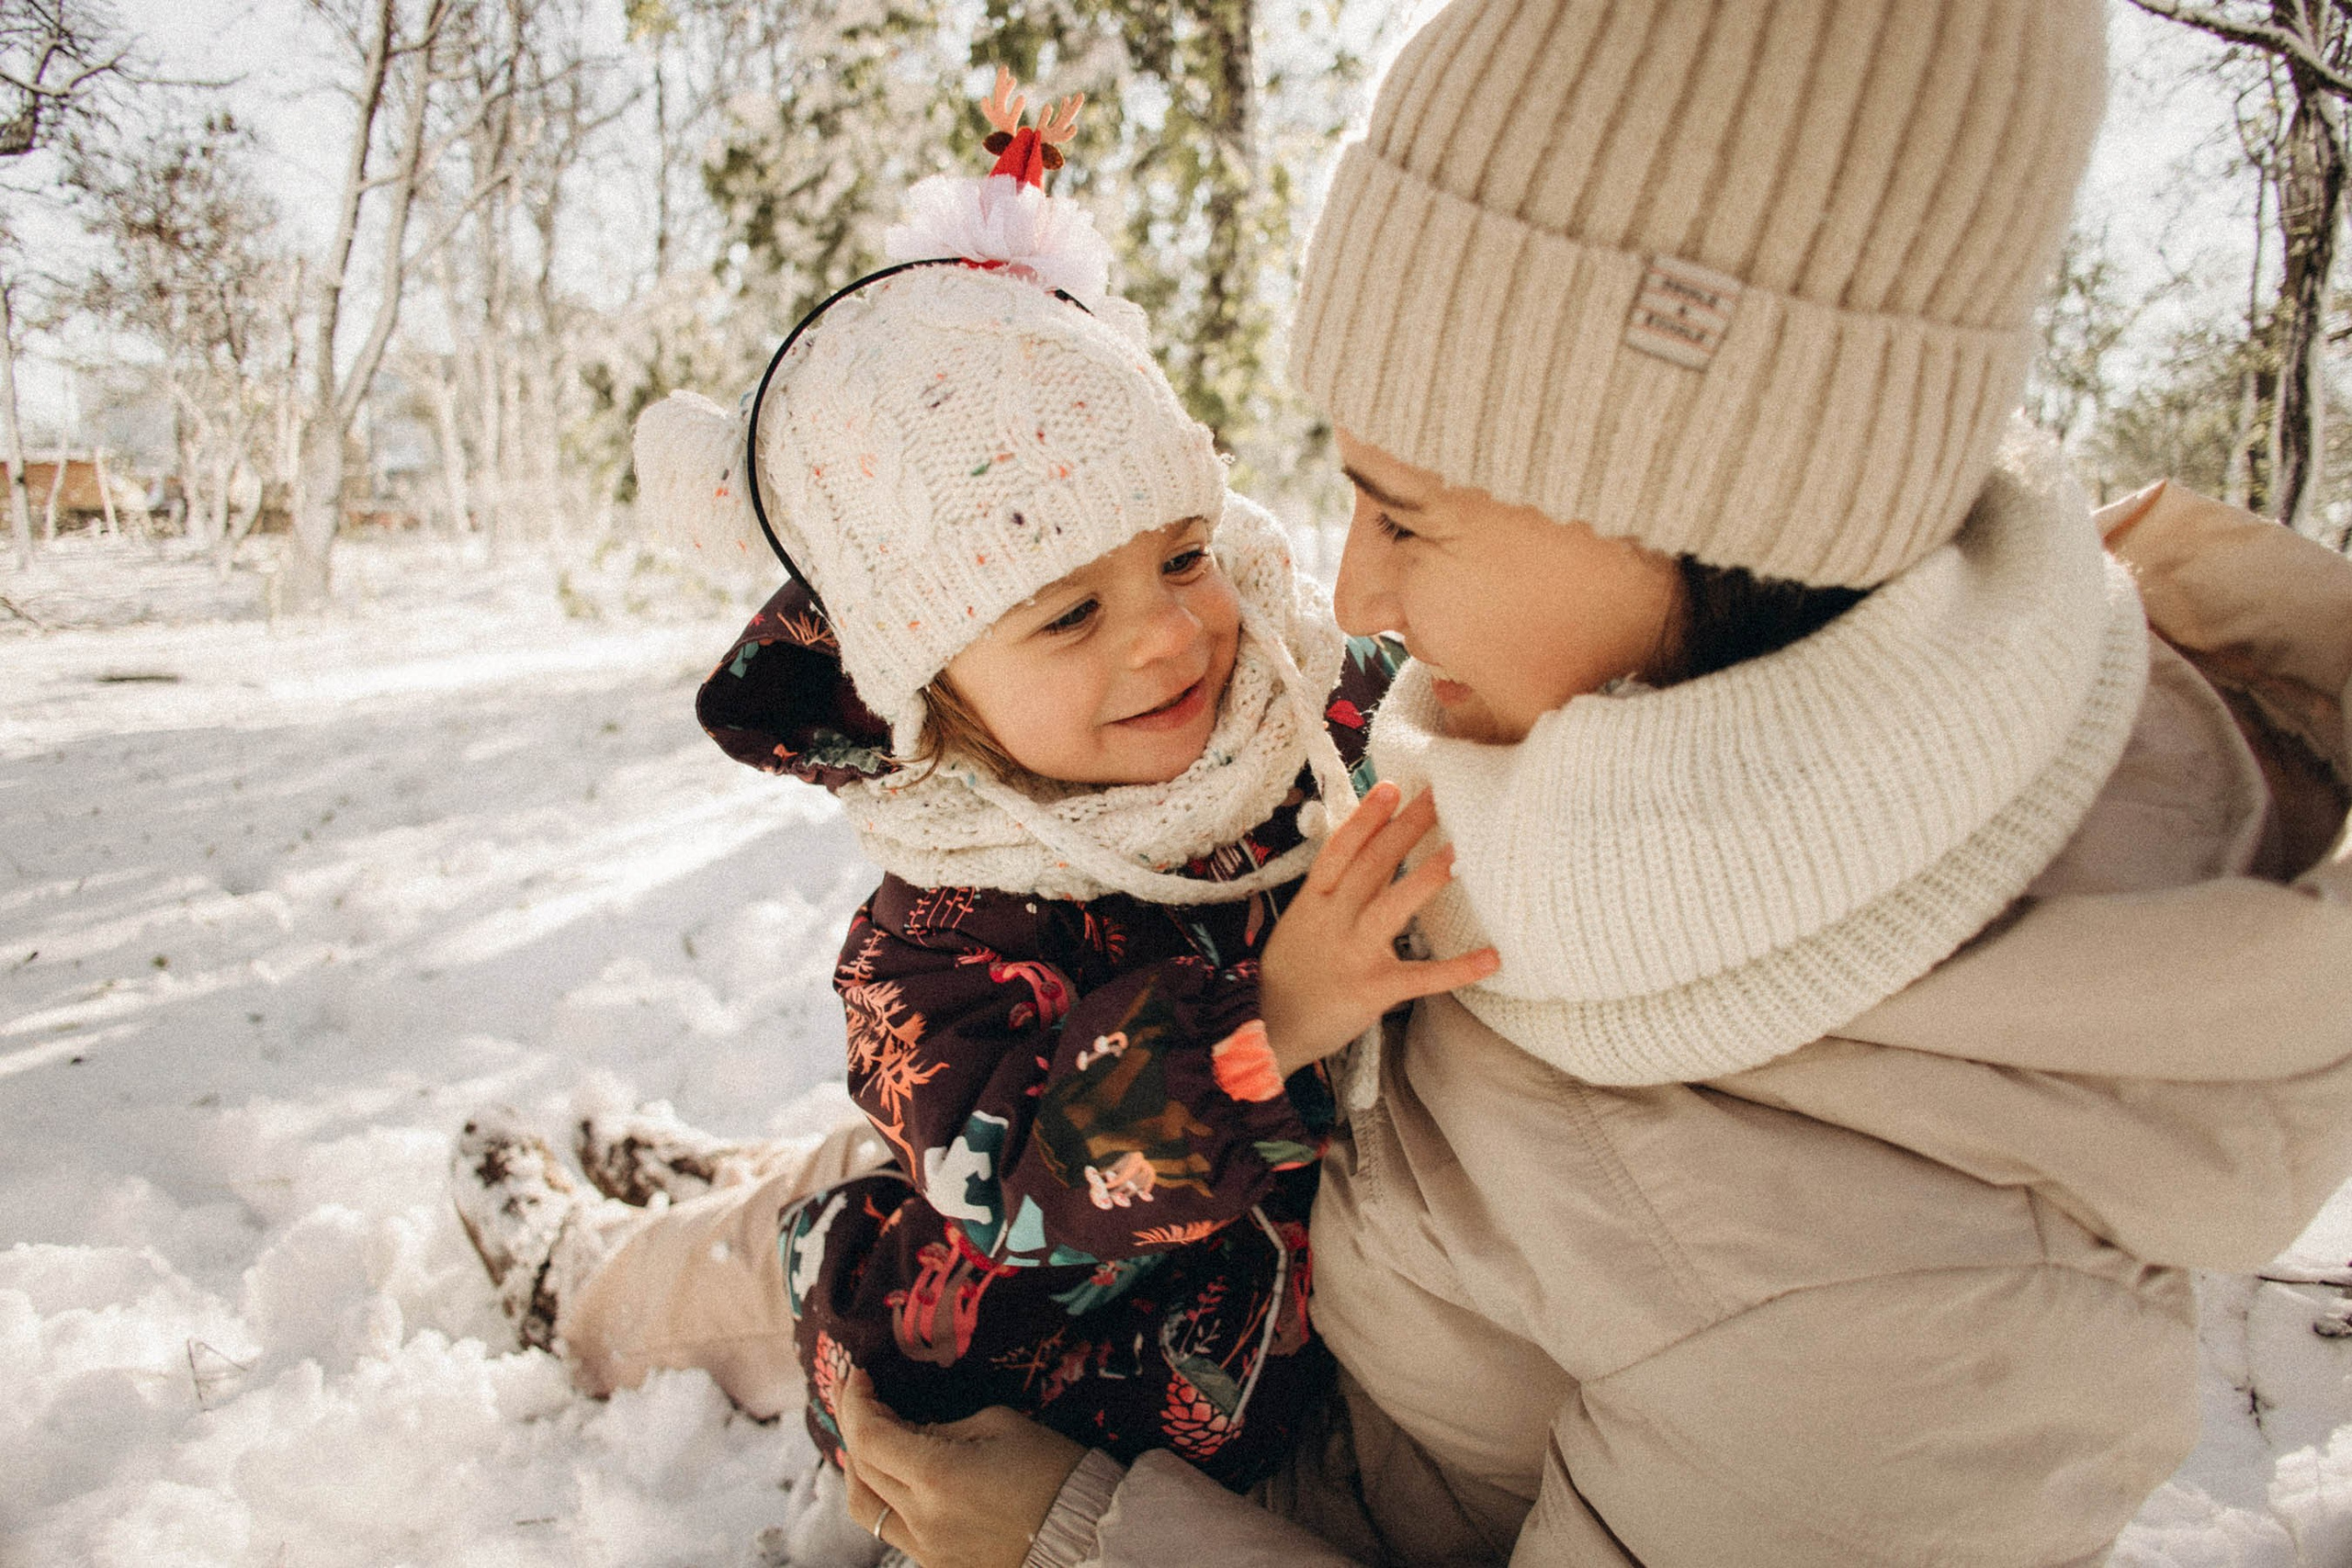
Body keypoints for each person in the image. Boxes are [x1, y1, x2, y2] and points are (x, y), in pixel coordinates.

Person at [829, 2, 2352, 1564]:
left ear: (1733, 505)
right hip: (1195, 1268)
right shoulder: (1621, 722)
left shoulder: (1911, 1303)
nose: (1350, 597)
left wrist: (1078, 1536)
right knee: (814, 1221)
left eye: (1407, 517)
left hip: (1266, 1468)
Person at [450, 71, 1492, 1559]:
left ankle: (706, 1172)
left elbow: (1451, 704)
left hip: (1265, 1351)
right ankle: (580, 1272)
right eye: (1069, 614)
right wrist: (1268, 1010)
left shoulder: (1297, 704)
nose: (1168, 638)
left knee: (831, 1169)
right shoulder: (926, 942)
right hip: (986, 1359)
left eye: (1183, 556)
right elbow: (1027, 1181)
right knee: (768, 1266)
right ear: (926, 686)